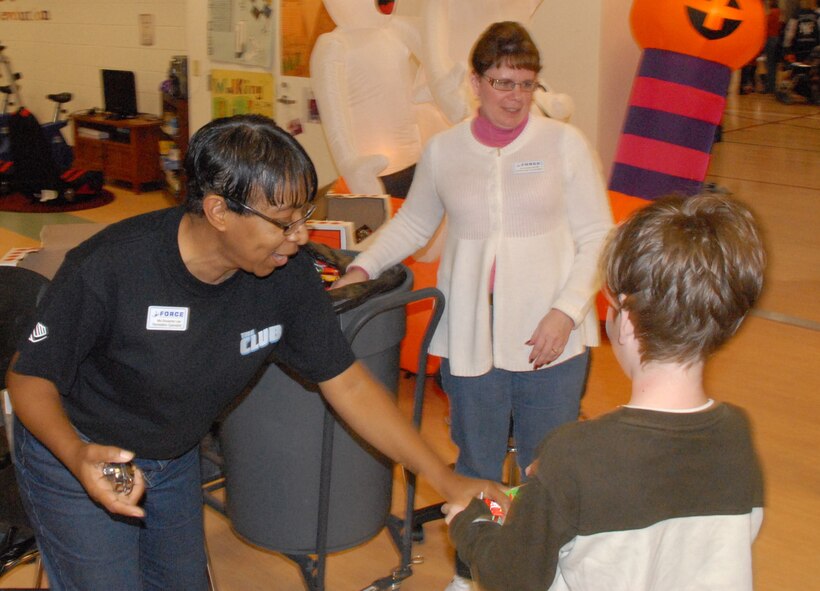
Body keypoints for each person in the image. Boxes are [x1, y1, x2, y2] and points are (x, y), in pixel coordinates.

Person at [5, 114, 504, 591]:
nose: (300, 236)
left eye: (304, 216)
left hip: (172, 455)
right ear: (219, 211)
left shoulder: (285, 276)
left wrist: (444, 477)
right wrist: (76, 455)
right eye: (283, 222)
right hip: (78, 449)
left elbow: (348, 383)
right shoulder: (112, 266)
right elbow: (28, 378)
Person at [331, 21, 613, 590]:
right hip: (472, 335)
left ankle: (545, 576)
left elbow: (598, 237)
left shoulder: (564, 144)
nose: (515, 96)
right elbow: (413, 224)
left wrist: (566, 311)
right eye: (502, 82)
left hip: (551, 336)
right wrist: (361, 266)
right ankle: (471, 573)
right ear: (476, 82)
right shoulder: (445, 149)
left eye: (526, 84)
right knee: (476, 463)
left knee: (544, 467)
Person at [444, 193, 766, 591]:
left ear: (626, 322)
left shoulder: (573, 454)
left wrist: (470, 523)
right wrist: (559, 486)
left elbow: (512, 577)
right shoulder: (737, 434)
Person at [764, 0, 783, 94]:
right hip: (777, 39)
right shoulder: (780, 12)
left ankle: (770, 86)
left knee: (770, 64)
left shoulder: (771, 13)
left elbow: (765, 25)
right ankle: (773, 85)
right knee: (774, 65)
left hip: (770, 39)